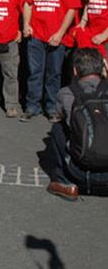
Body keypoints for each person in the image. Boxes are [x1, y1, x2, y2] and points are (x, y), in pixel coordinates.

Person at [21, 0, 82, 122]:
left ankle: (52, 108)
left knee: (53, 74)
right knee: (35, 72)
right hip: (36, 35)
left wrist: (60, 33)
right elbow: (28, 3)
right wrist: (26, 24)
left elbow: (71, 9)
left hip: (56, 37)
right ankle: (32, 106)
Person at [45, 48, 108, 200]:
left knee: (57, 128)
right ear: (102, 67)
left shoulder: (66, 93)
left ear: (75, 70)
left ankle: (64, 181)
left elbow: (61, 118)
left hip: (80, 174)